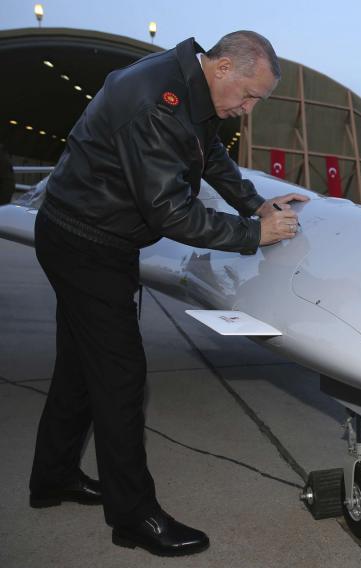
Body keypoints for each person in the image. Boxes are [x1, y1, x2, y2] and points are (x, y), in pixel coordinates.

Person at [28, 31, 307, 557]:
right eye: (249, 96)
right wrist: (255, 234)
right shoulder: (157, 103)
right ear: (223, 68)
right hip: (87, 245)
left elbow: (209, 156)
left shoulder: (191, 86)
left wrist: (254, 204)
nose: (248, 110)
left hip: (87, 235)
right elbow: (170, 212)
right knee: (121, 381)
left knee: (80, 369)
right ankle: (133, 517)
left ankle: (53, 477)